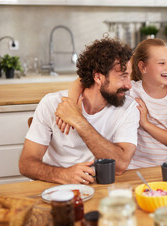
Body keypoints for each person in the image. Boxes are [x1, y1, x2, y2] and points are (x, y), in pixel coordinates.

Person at [18, 37, 140, 184]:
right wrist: (64, 175)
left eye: (129, 76)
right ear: (98, 76)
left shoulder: (129, 108)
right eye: (123, 76)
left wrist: (78, 121)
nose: (129, 85)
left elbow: (120, 166)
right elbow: (26, 165)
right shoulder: (51, 103)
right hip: (52, 186)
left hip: (97, 186)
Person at [61, 38, 167, 169]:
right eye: (162, 63)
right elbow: (83, 80)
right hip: (136, 167)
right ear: (143, 66)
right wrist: (72, 104)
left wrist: (145, 123)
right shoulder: (130, 89)